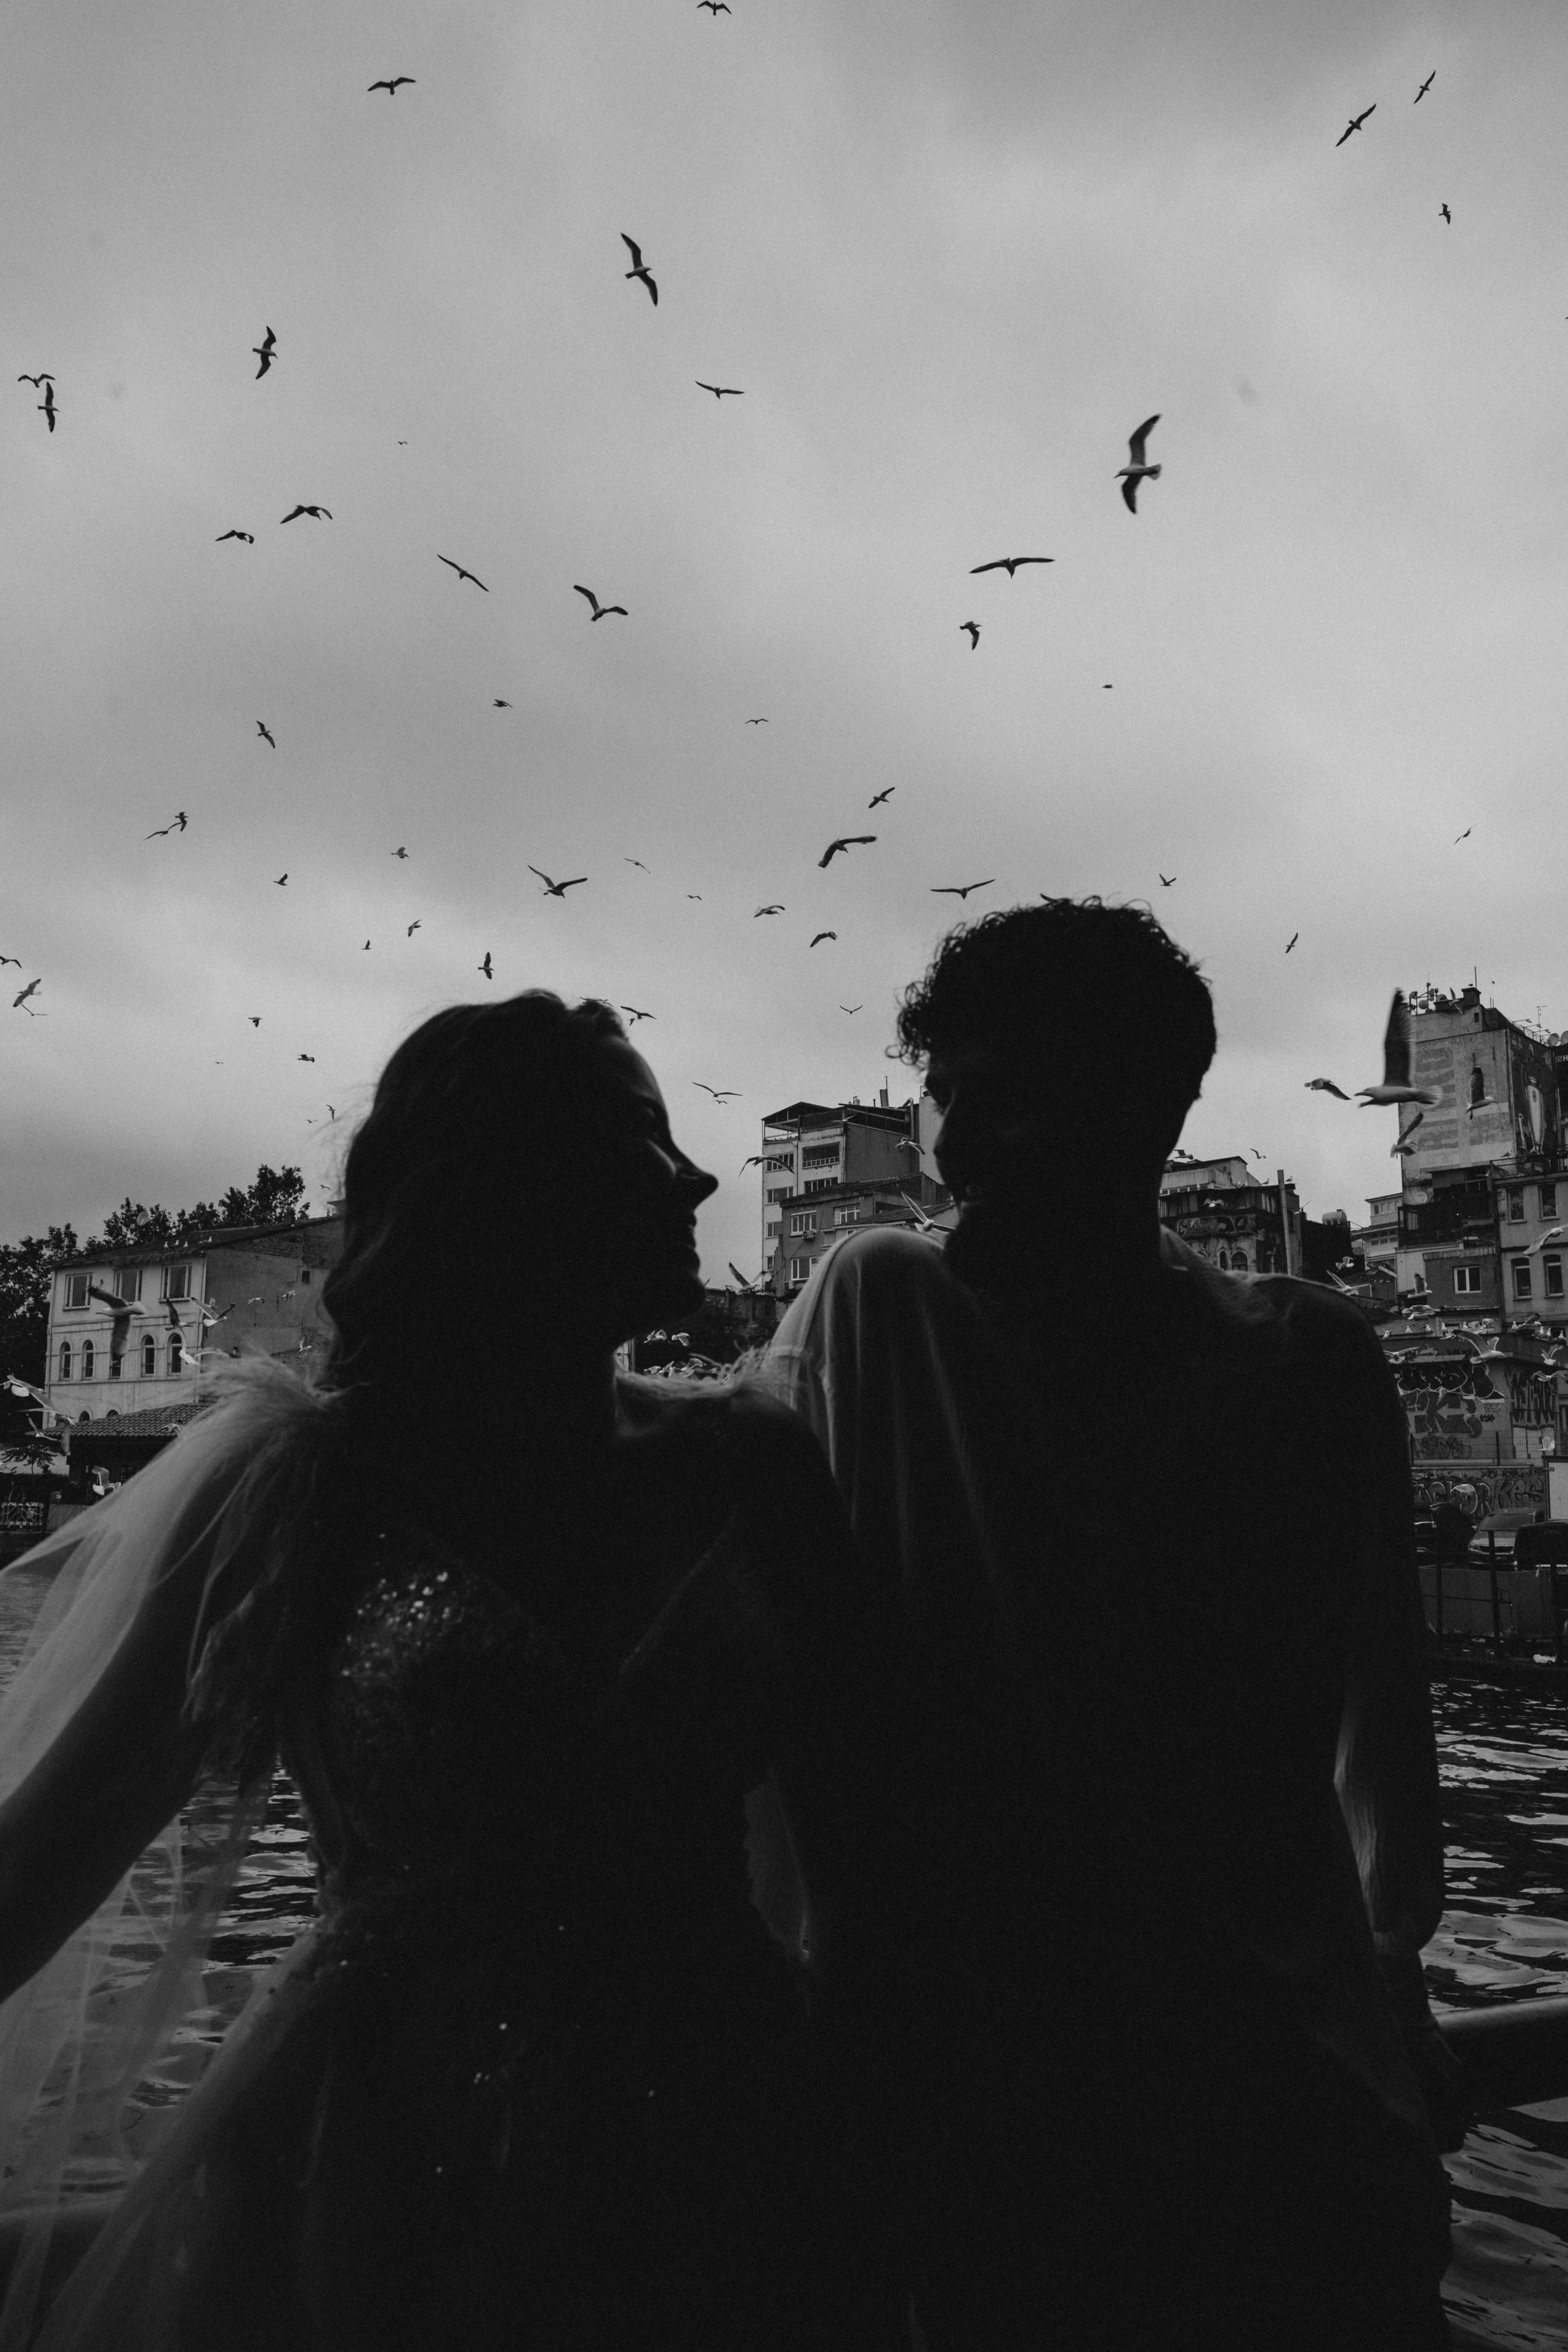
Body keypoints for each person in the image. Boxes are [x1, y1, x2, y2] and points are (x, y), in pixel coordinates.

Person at [0, 992, 897, 2351]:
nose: (699, 1176)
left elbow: (878, 1861)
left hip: (730, 2144)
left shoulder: (754, 1470)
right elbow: (57, 1846)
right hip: (392, 2163)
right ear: (510, 1190)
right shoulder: (301, 1486)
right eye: (647, 1142)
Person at [759, 899, 1458, 2352]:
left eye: (1004, 1094)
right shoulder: (1312, 1358)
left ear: (1158, 1106)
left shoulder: (884, 1302)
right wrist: (1382, 2003)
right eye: (960, 1094)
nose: (969, 1140)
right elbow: (1390, 1781)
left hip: (1011, 2115)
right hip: (1282, 2097)